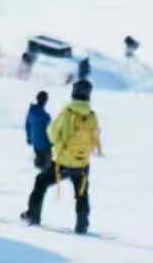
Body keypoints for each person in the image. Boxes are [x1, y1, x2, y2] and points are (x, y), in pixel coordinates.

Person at [24, 79, 102, 233]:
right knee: (81, 192)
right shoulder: (92, 116)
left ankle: (33, 215)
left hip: (62, 162)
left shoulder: (67, 112)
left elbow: (52, 132)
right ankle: (82, 225)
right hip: (82, 163)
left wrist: (59, 145)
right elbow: (95, 138)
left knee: (41, 181)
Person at [25, 90, 53, 172]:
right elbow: (51, 132)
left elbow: (27, 125)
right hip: (44, 145)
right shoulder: (45, 116)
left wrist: (29, 138)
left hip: (35, 142)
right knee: (46, 165)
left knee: (39, 161)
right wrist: (52, 143)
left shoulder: (31, 111)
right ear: (45, 101)